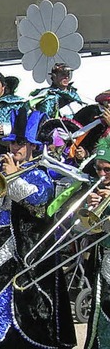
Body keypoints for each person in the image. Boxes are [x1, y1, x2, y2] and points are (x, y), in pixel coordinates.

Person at [0, 108, 76, 348]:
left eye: (22, 143)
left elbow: (38, 203)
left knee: (24, 305)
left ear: (33, 146)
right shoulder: (1, 166)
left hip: (24, 253)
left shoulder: (41, 173)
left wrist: (13, 177)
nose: (15, 148)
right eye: (13, 143)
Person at [84, 136, 110, 348]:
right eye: (98, 169)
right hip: (103, 266)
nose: (102, 175)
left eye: (108, 169)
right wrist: (92, 210)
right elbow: (87, 230)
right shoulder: (100, 191)